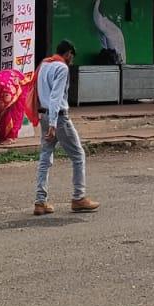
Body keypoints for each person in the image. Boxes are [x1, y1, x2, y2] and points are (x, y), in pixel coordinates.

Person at [34, 41, 99, 215]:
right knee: (78, 155)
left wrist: (48, 120)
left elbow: (38, 91)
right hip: (58, 118)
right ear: (69, 53)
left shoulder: (44, 64)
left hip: (44, 115)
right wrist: (54, 123)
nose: (71, 60)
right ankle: (79, 198)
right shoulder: (62, 68)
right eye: (71, 56)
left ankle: (40, 202)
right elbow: (56, 96)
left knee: (45, 156)